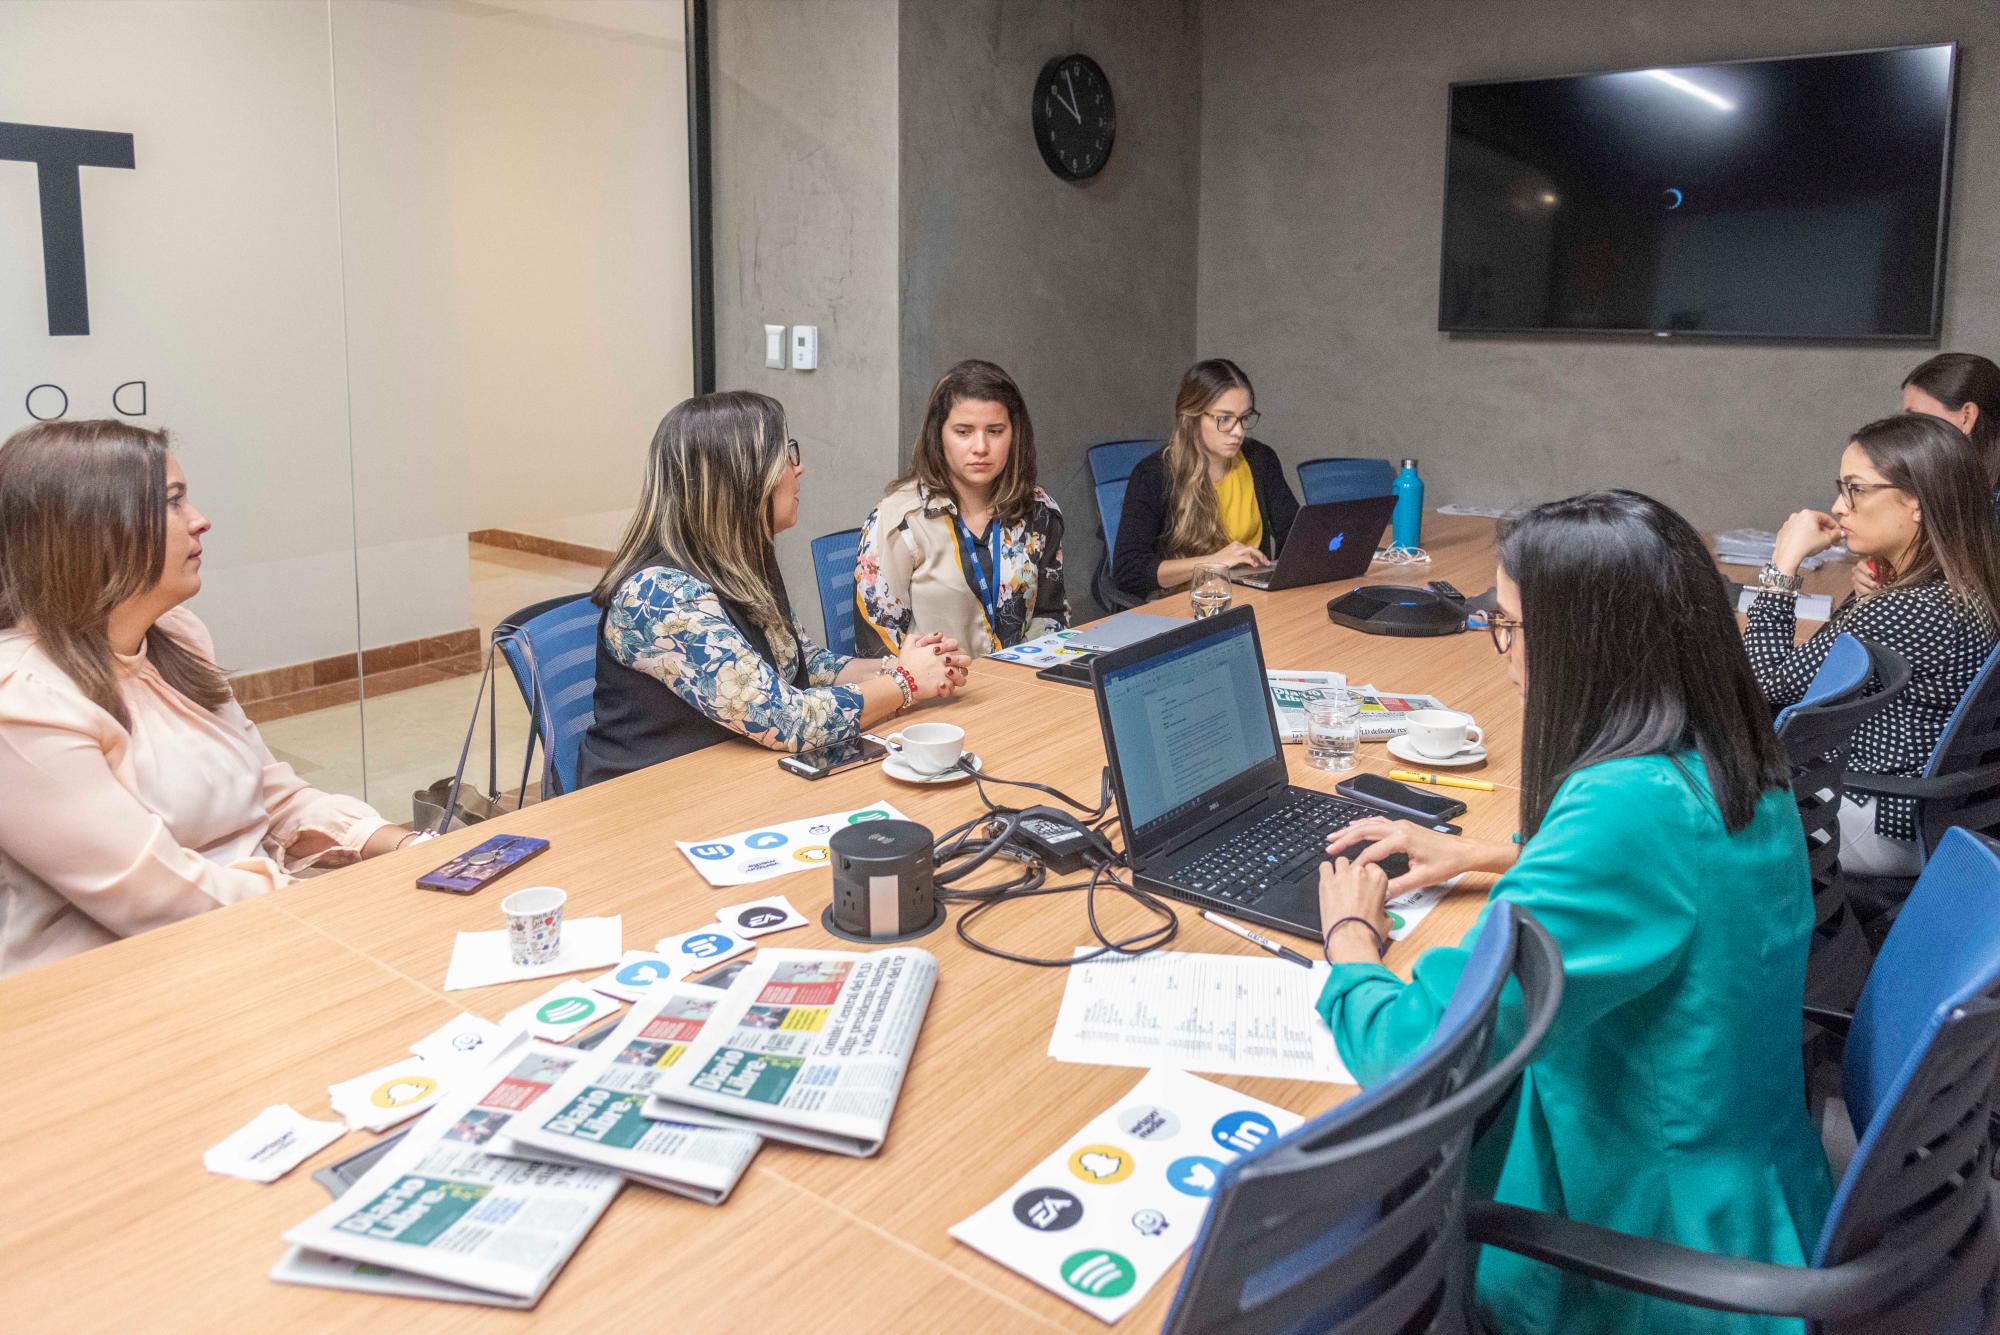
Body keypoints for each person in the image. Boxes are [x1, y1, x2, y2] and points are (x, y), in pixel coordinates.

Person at [1317, 490, 1831, 1335]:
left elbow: (1420, 1059)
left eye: (1509, 627)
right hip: (1751, 1198)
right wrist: (1487, 854)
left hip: (1652, 1260)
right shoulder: (1726, 750)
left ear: (1582, 647)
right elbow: (1673, 880)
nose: (1503, 653)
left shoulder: (1625, 813)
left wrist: (1352, 944)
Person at [0, 420, 413, 977]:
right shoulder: (22, 701)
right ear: (92, 529)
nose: (200, 520)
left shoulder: (177, 635)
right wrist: (336, 908)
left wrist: (403, 847)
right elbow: (158, 899)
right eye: (173, 503)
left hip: (254, 940)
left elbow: (270, 797)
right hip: (120, 992)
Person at [575, 391, 969, 786]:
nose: (799, 469)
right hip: (644, 801)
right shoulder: (659, 596)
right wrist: (906, 683)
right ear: (741, 477)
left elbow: (802, 664)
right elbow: (785, 719)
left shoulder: (740, 561)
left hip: (729, 778)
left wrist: (901, 665)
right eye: (786, 455)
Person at [1750, 413, 2000, 876]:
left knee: (1681, 800)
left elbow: (1768, 683)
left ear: (1918, 504)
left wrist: (1782, 566)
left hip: (1875, 812)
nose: (1839, 507)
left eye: (1855, 489)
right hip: (1914, 806)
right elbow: (1822, 666)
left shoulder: (1910, 609)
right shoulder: (1961, 587)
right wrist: (1871, 599)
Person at [855, 360, 1067, 656]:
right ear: (938, 435)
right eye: (964, 432)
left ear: (1015, 434)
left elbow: (1051, 616)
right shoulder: (899, 521)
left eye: (995, 431)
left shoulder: (1039, 512)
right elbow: (877, 650)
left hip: (1021, 689)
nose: (980, 447)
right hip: (933, 695)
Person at [1110, 358, 1300, 600]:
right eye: (1224, 419)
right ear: (1192, 416)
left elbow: (1293, 536)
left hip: (1253, 599)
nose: (1238, 431)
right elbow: (1129, 572)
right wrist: (1215, 562)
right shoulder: (1154, 474)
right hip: (1188, 605)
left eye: (1244, 418)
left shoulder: (1260, 459)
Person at [1855, 352, 2000, 594]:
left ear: (1966, 417)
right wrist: (1883, 570)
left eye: (1917, 419)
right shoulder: (1954, 486)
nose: (1908, 432)